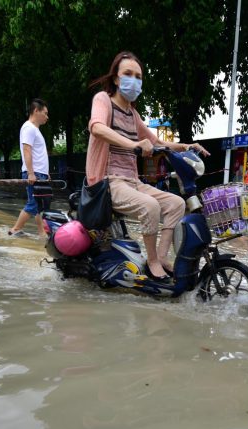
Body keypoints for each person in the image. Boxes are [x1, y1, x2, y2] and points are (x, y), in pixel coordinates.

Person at [86, 51, 209, 280]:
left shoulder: (133, 114)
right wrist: (134, 144)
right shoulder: (103, 100)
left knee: (176, 203)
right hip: (108, 182)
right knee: (150, 206)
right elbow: (97, 127)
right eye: (128, 74)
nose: (134, 80)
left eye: (138, 76)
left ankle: (162, 257)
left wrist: (188, 146)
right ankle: (151, 262)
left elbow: (158, 142)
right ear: (116, 78)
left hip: (132, 182)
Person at [9, 98, 51, 238]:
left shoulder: (35, 130)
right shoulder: (28, 127)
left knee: (39, 205)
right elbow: (27, 150)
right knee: (33, 204)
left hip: (40, 173)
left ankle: (41, 233)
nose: (47, 116)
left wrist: (46, 173)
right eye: (44, 113)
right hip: (34, 174)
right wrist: (31, 173)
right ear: (36, 111)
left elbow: (38, 154)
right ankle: (15, 229)